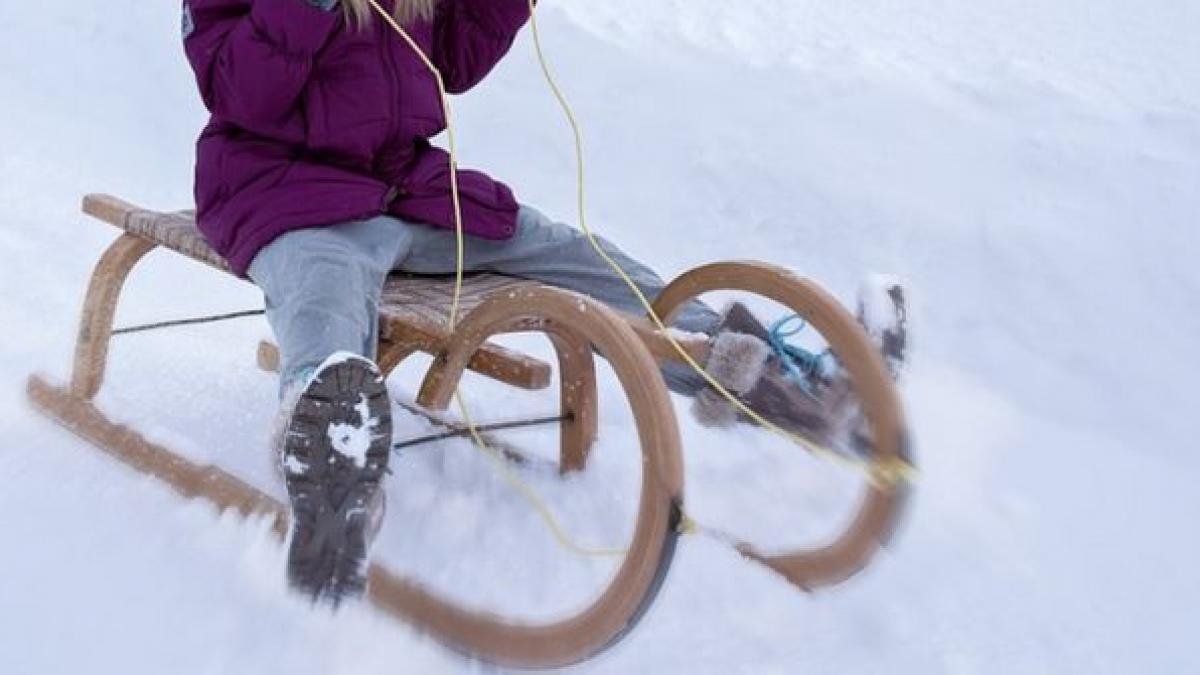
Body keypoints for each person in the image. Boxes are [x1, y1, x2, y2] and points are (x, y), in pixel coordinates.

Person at [181, 0, 902, 604]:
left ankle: (781, 380)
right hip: (283, 193)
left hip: (408, 189)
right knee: (325, 287)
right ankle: (330, 460)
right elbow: (238, 92)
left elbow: (455, 62)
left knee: (573, 255)